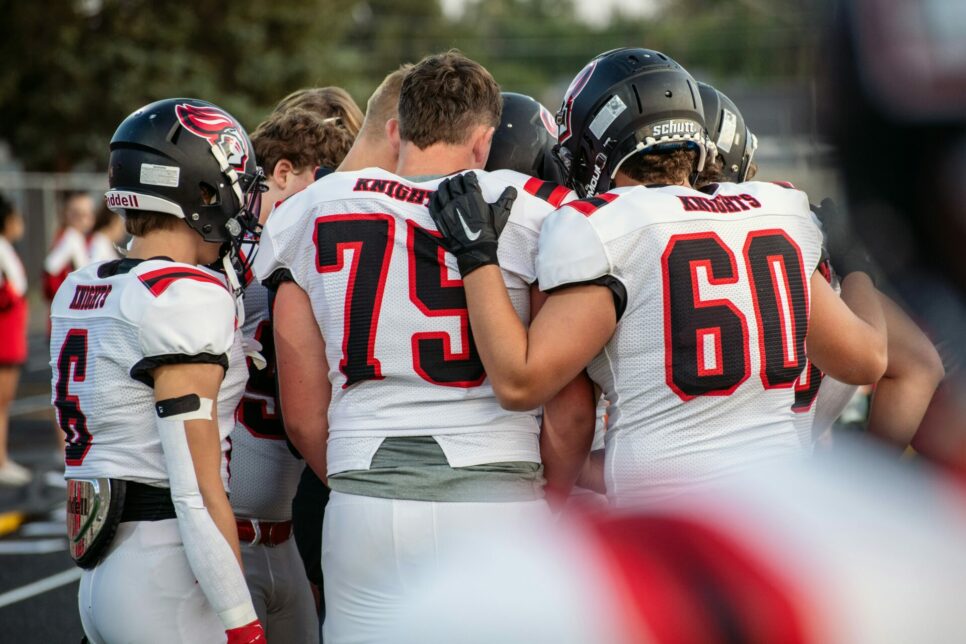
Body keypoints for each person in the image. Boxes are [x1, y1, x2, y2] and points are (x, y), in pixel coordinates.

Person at [428, 48, 888, 506]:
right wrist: (858, 264)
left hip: (671, 513)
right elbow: (867, 359)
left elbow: (520, 382)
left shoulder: (606, 225)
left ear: (595, 146)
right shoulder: (774, 211)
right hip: (782, 505)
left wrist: (477, 253)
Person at [254, 50, 594, 642]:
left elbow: (304, 415)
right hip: (497, 496)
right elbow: (567, 415)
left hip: (363, 506)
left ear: (396, 129)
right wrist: (550, 501)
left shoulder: (312, 209)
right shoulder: (533, 212)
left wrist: (367, 486)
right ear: (484, 142)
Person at [51, 98, 265, 643]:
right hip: (168, 569)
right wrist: (244, 624)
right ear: (202, 192)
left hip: (102, 570)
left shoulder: (83, 285)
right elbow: (194, 491)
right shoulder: (185, 296)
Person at [697, 81, 944, 452]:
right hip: (786, 483)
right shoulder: (801, 243)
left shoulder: (635, 243)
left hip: (663, 491)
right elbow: (919, 366)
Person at [229, 105, 357, 642]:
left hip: (279, 534)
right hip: (228, 531)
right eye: (322, 182)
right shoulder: (245, 261)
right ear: (283, 175)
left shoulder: (243, 257)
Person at [0, 194, 30, 486]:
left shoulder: (6, 248)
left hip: (10, 335)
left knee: (4, 403)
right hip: (4, 338)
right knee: (2, 402)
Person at [43, 190, 93, 302]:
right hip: (69, 313)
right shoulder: (71, 237)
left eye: (85, 214)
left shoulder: (81, 238)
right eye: (76, 214)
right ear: (66, 214)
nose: (81, 219)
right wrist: (65, 300)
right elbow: (49, 273)